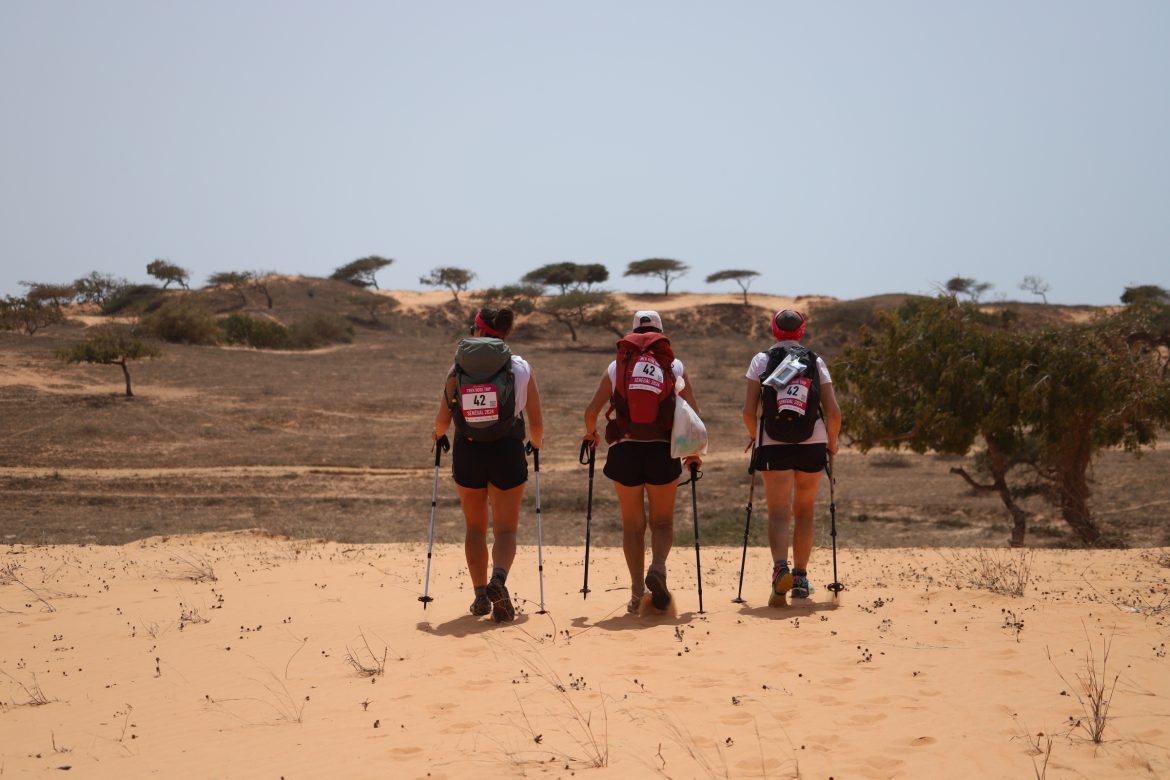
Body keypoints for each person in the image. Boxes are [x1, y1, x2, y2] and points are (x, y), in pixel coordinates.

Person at [583, 310, 702, 614]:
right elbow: (692, 413)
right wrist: (693, 453)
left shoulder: (617, 366)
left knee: (633, 525)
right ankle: (658, 568)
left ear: (633, 332)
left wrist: (592, 435)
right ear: (661, 333)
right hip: (663, 451)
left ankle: (637, 592)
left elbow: (590, 411)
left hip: (625, 451)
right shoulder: (673, 365)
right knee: (661, 521)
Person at [432, 307, 543, 622]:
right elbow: (537, 424)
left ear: (477, 332)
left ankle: (481, 597)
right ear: (505, 333)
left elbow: (441, 423)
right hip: (507, 451)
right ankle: (499, 580)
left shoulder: (458, 369)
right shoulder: (521, 369)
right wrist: (534, 444)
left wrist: (438, 436)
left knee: (475, 527)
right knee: (506, 528)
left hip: (468, 453)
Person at [742, 309, 841, 603]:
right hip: (813, 442)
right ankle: (800, 577)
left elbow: (748, 412)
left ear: (774, 330)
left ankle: (779, 571)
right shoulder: (815, 361)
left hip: (773, 444)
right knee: (805, 511)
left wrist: (755, 437)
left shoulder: (761, 360)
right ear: (802, 331)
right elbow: (833, 412)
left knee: (778, 511)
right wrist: (832, 444)